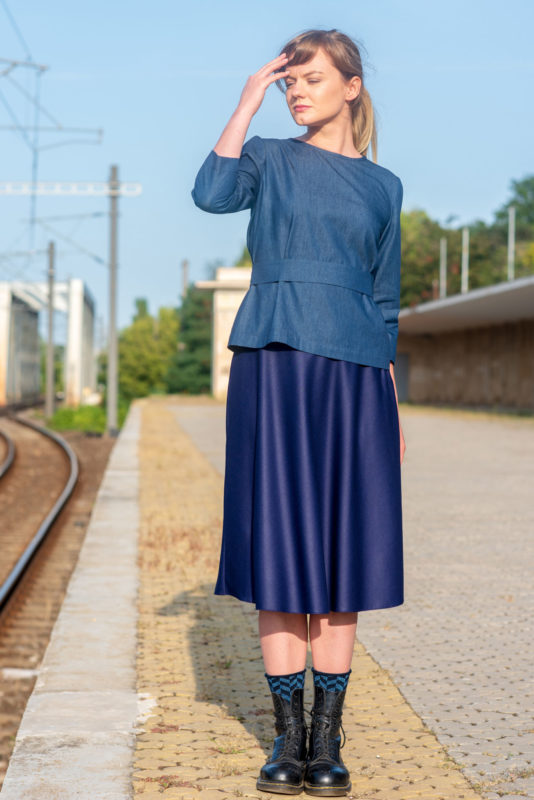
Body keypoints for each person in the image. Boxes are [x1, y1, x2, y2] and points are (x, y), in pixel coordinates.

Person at [191, 28, 406, 798]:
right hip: (274, 366)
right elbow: (211, 194)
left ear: (351, 85)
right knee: (280, 551)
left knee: (343, 554)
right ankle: (285, 739)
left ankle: (327, 737)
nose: (297, 91)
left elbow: (386, 303)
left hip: (354, 378)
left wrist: (390, 395)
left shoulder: (384, 188)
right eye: (289, 83)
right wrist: (248, 98)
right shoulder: (271, 159)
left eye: (309, 78)